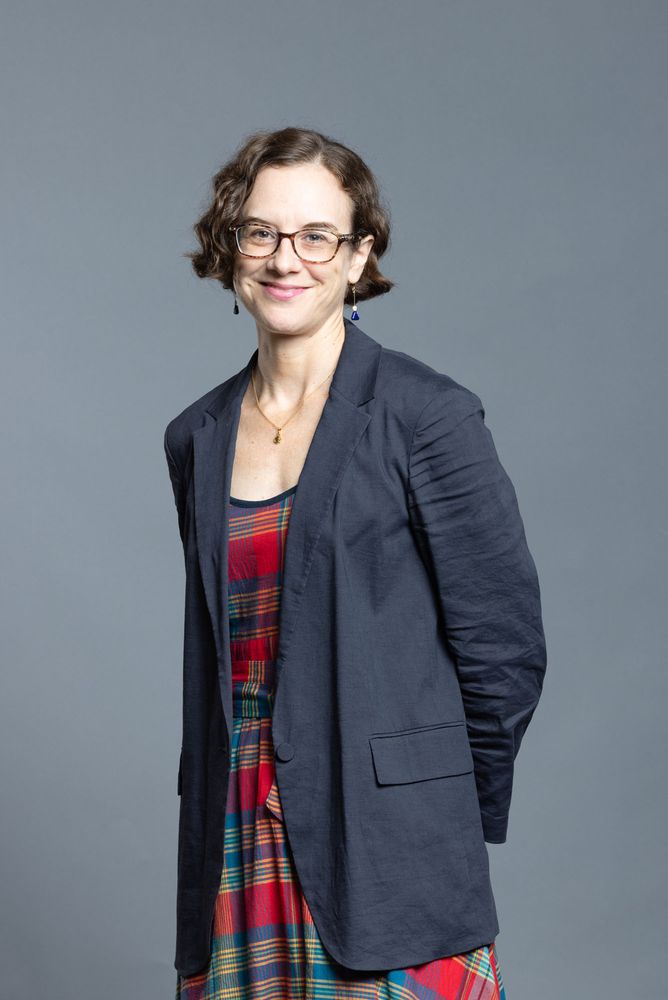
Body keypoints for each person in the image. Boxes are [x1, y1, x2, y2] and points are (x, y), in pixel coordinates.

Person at [163, 125, 547, 1000]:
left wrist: (432, 806)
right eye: (259, 232)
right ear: (231, 249)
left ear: (358, 254)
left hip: (387, 840)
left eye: (315, 236)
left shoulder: (427, 416)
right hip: (236, 839)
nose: (284, 259)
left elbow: (505, 649)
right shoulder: (197, 437)